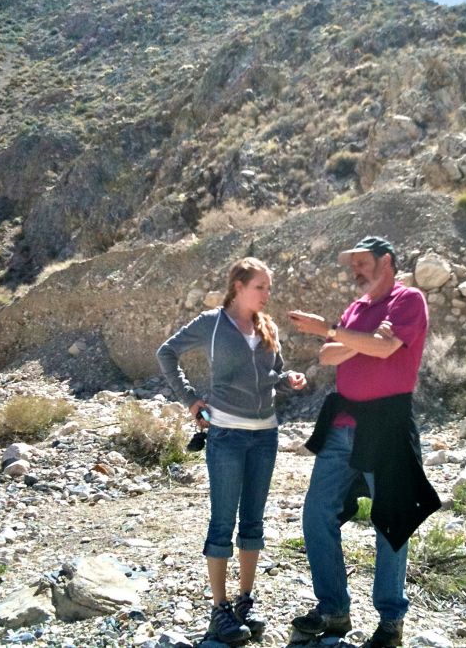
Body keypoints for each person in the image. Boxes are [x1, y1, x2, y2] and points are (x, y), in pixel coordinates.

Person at [288, 236, 441, 648]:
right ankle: (334, 609)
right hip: (342, 423)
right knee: (317, 512)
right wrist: (364, 342)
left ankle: (391, 620)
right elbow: (328, 356)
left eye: (361, 262)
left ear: (386, 261)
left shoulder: (409, 300)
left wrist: (340, 334)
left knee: (391, 519)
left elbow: (385, 347)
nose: (355, 270)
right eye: (351, 263)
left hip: (388, 424)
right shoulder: (358, 308)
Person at [157, 257, 306, 645]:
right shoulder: (211, 324)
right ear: (238, 286)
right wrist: (190, 399)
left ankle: (245, 602)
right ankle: (219, 610)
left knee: (254, 522)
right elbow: (166, 353)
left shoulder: (267, 326)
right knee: (223, 522)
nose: (267, 294)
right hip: (226, 434)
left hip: (265, 435)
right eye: (261, 286)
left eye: (268, 287)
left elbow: (273, 375)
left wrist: (288, 379)